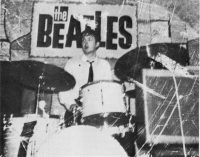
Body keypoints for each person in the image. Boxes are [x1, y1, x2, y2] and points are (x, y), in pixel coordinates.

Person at [58, 28, 112, 112]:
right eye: (83, 40)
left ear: (97, 44)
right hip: (75, 112)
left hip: (97, 112)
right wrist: (71, 104)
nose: (85, 43)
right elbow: (63, 90)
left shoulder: (104, 65)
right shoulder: (71, 63)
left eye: (89, 39)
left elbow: (108, 91)